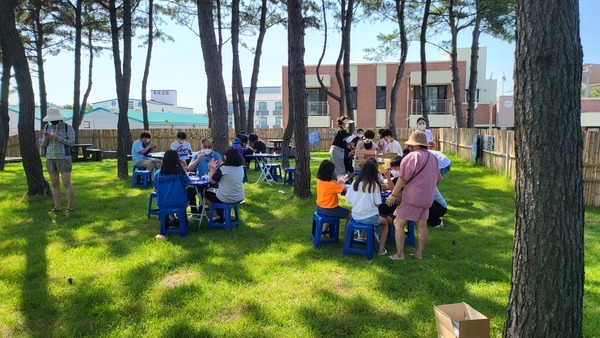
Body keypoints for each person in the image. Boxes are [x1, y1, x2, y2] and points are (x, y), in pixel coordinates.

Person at [386, 130, 442, 260]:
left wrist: (393, 195)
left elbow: (403, 178)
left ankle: (400, 254)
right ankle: (419, 254)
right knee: (422, 225)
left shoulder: (411, 157)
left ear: (413, 144)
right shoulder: (433, 157)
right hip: (428, 196)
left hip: (412, 196)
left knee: (398, 223)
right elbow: (438, 178)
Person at [344, 160, 389, 255]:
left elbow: (348, 201)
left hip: (355, 215)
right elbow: (377, 204)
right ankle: (381, 249)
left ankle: (362, 236)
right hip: (370, 217)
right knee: (385, 223)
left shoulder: (354, 184)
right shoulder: (375, 185)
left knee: (366, 216)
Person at [41, 107, 76, 212]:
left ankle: (69, 207)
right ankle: (57, 207)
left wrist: (58, 138)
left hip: (64, 158)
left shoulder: (67, 127)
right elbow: (43, 145)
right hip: (50, 158)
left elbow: (71, 143)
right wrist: (46, 139)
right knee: (54, 183)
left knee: (66, 182)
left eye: (54, 118)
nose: (52, 120)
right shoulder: (47, 127)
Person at [205, 147, 245, 221]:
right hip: (239, 197)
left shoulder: (223, 168)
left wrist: (211, 168)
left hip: (226, 198)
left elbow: (212, 181)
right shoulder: (240, 167)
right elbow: (226, 176)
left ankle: (215, 215)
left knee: (206, 191)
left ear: (226, 156)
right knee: (217, 190)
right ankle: (221, 214)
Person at [154, 150, 190, 228]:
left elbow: (156, 188)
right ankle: (183, 223)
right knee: (187, 198)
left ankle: (169, 221)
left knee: (168, 200)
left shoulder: (157, 173)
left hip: (162, 202)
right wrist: (184, 170)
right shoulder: (179, 172)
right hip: (179, 202)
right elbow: (186, 183)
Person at [186, 137, 223, 213]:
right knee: (189, 190)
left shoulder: (217, 156)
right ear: (202, 146)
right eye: (205, 146)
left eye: (209, 147)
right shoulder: (197, 154)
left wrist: (213, 168)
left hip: (212, 181)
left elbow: (220, 171)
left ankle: (202, 209)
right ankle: (194, 211)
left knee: (205, 191)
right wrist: (197, 160)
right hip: (200, 181)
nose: (207, 148)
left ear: (213, 146)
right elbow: (189, 168)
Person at [316, 160, 352, 235]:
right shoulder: (331, 184)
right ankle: (346, 237)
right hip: (330, 210)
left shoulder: (320, 181)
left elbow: (334, 184)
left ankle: (323, 231)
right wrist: (343, 183)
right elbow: (344, 188)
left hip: (320, 208)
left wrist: (337, 182)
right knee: (352, 215)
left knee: (330, 215)